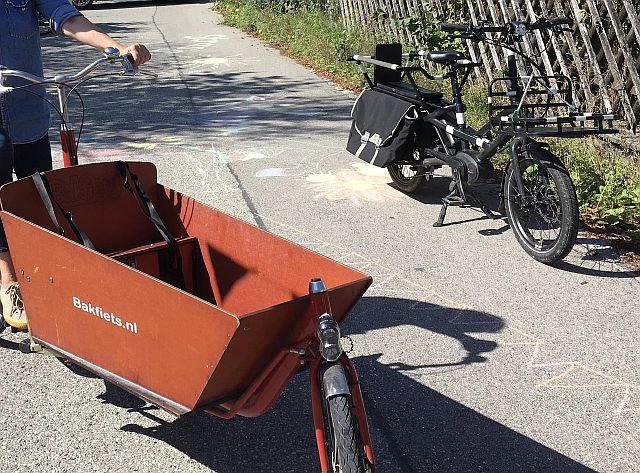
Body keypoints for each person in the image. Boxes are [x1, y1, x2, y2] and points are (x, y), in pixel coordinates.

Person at [0, 1, 151, 330]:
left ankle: (49, 275)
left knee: (39, 195)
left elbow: (66, 17)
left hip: (29, 110)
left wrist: (118, 47)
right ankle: (7, 282)